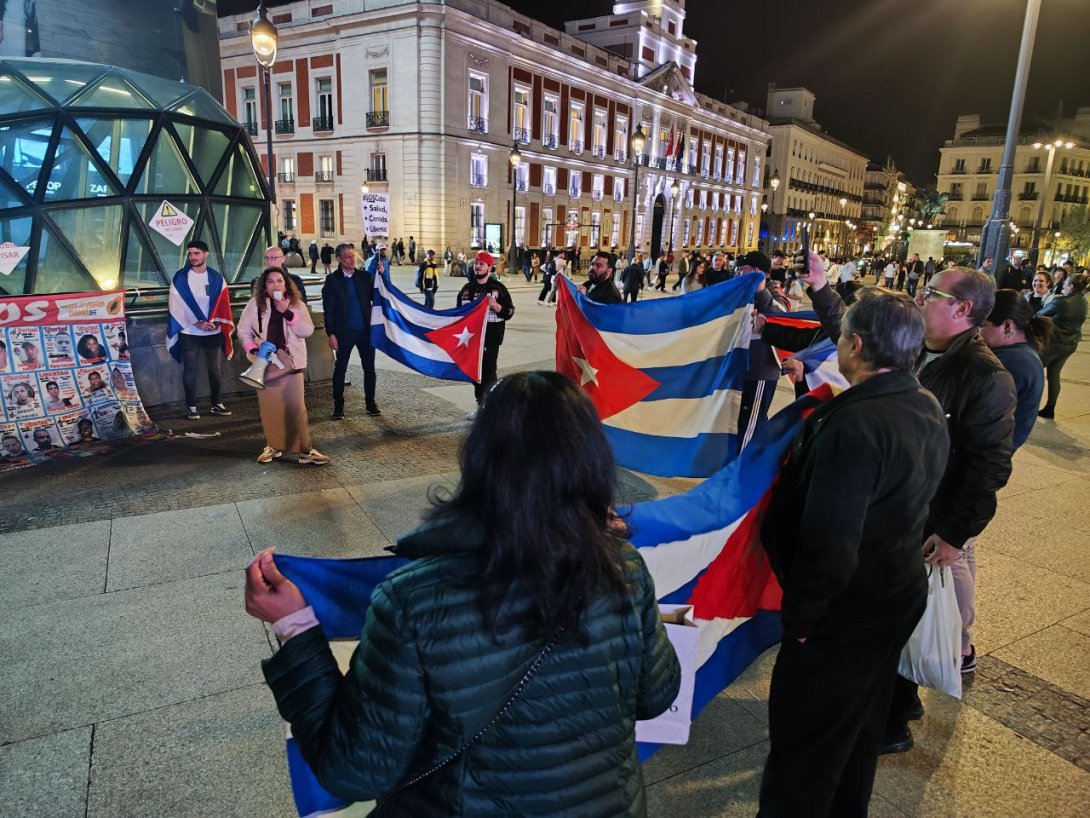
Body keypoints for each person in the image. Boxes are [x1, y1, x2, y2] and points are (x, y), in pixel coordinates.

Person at [244, 371, 681, 815]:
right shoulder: (623, 567)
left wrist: (294, 627)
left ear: (480, 460)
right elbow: (655, 695)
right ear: (591, 461)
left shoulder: (414, 601)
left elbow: (355, 770)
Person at [758, 290, 949, 818]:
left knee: (805, 747)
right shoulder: (923, 403)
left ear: (857, 345)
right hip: (893, 593)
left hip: (843, 611)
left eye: (841, 336)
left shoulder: (855, 423)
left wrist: (803, 617)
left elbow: (831, 539)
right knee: (858, 730)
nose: (838, 343)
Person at [238, 267, 331, 465]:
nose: (275, 285)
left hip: (292, 363)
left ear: (286, 284)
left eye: (279, 281)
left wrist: (286, 313)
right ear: (264, 286)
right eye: (270, 282)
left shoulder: (296, 304)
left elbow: (307, 330)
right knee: (270, 408)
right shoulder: (255, 305)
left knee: (296, 408)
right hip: (265, 365)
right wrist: (252, 349)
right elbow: (243, 330)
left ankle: (305, 450)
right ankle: (273, 446)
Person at [168, 239, 233, 420]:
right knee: (190, 369)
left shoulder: (217, 278)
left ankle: (216, 403)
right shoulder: (181, 277)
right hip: (189, 332)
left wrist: (217, 322)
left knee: (215, 369)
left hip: (213, 330)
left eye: (196, 253)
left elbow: (223, 303)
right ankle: (191, 406)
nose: (192, 257)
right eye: (190, 254)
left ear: (206, 254)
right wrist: (197, 323)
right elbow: (176, 305)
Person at [980, 290, 1050, 450]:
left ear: (1007, 326)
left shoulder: (1013, 363)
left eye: (982, 326)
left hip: (989, 452)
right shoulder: (1022, 353)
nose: (978, 333)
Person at [322, 244, 381, 420]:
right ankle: (338, 405)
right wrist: (330, 333)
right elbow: (329, 309)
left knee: (369, 369)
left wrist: (382, 276)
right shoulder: (332, 280)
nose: (351, 259)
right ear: (338, 259)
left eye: (353, 256)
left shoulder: (365, 276)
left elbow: (378, 297)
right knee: (340, 369)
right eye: (347, 256)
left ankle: (371, 403)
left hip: (365, 331)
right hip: (344, 332)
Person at [456, 251, 514, 420]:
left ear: (490, 267)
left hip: (490, 339)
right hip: (470, 339)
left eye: (482, 264)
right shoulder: (467, 289)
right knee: (475, 374)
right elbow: (458, 313)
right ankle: (481, 406)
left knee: (489, 374)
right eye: (476, 263)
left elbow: (509, 311)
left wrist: (497, 307)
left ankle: (492, 407)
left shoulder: (498, 288)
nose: (478, 266)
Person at [734, 251, 782, 449]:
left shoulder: (774, 291)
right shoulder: (742, 292)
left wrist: (762, 292)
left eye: (742, 270)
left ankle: (739, 474)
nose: (738, 274)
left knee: (750, 427)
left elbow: (782, 316)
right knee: (747, 422)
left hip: (760, 370)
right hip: (743, 369)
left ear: (756, 272)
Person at [1037, 273, 1088, 419]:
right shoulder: (1083, 302)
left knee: (1035, 370)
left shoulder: (1061, 301)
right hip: (1071, 343)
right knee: (1054, 375)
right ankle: (1050, 408)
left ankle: (1029, 403)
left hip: (1054, 343)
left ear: (1071, 286)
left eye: (1066, 283)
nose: (1064, 285)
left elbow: (1040, 313)